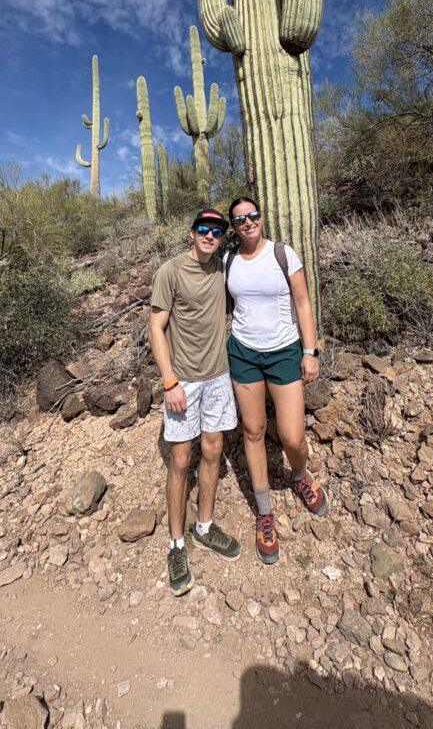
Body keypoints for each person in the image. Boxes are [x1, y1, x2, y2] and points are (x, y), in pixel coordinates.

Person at [224, 197, 327, 565]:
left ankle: (299, 473)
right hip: (243, 354)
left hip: (284, 352)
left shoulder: (283, 254)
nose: (247, 222)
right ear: (233, 227)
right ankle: (264, 513)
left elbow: (303, 302)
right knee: (252, 431)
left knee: (292, 436)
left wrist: (310, 351)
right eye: (239, 219)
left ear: (261, 218)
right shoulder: (228, 261)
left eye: (252, 215)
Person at [148, 207, 241, 596]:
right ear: (191, 233)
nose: (210, 235)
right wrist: (169, 381)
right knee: (181, 459)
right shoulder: (170, 271)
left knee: (213, 451)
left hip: (218, 376)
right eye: (203, 229)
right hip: (183, 380)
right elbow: (156, 326)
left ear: (222, 237)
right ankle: (175, 544)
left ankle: (203, 527)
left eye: (217, 231)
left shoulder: (222, 267)